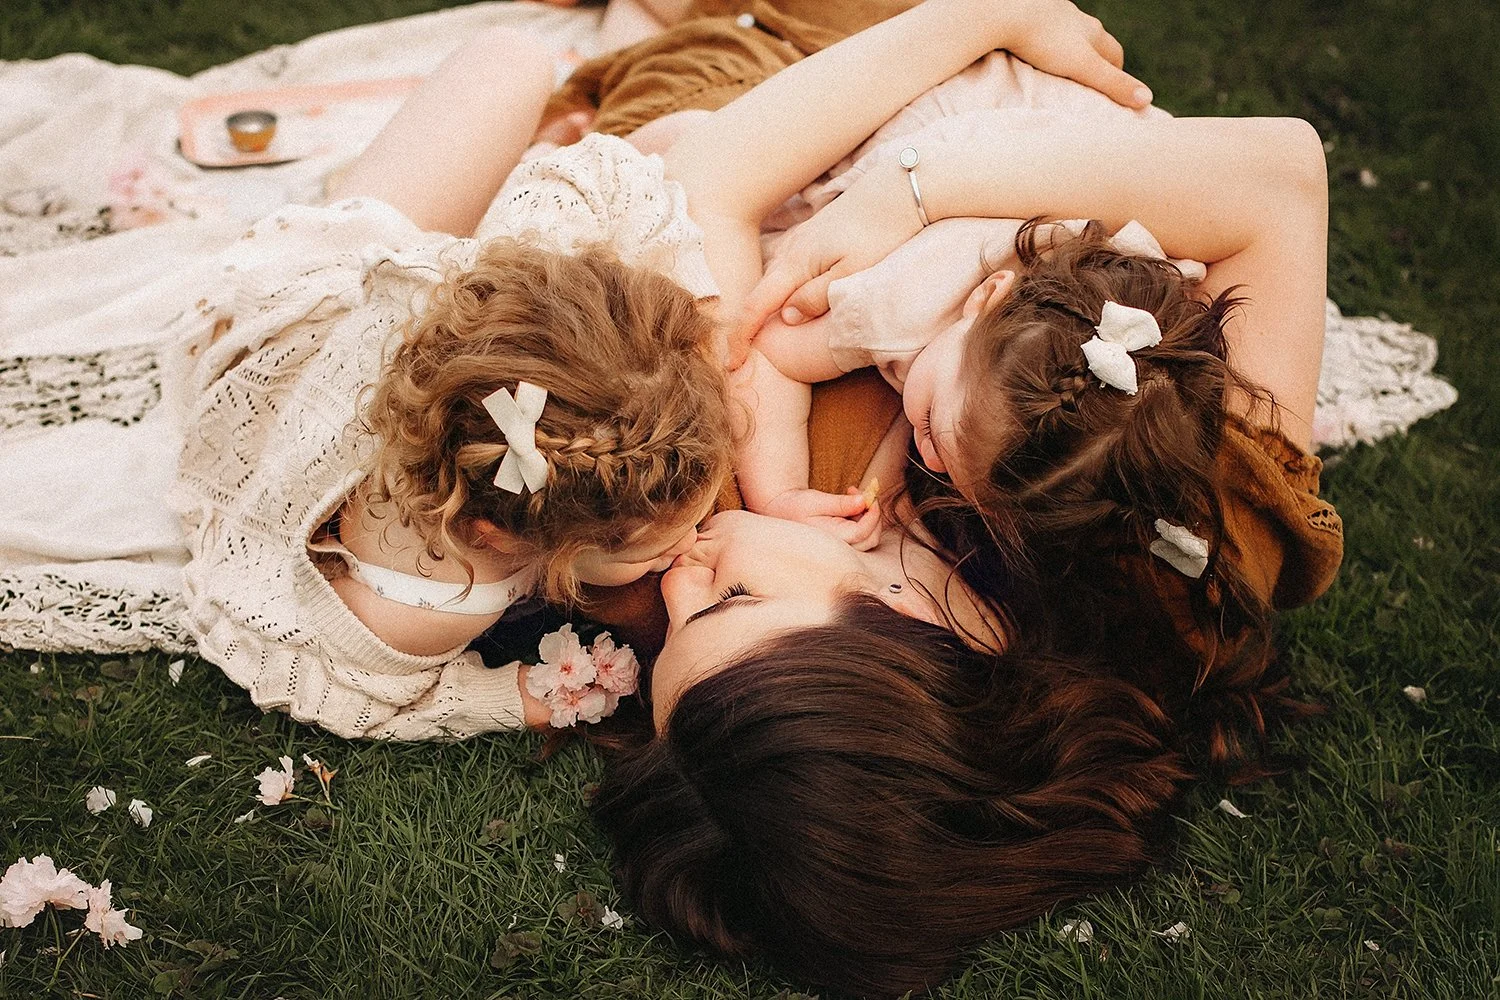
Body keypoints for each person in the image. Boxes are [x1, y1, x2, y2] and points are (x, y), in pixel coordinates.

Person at [169, 0, 1142, 740]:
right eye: (711, 583)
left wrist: (512, 697)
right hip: (333, 328)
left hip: (322, 322)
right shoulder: (423, 603)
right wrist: (509, 698)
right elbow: (339, 690)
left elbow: (650, 180)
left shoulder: (540, 336)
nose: (679, 579)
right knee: (552, 92)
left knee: (514, 65)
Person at [588, 77, 1345, 1000]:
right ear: (897, 627)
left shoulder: (705, 518)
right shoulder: (1182, 545)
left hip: (816, 107)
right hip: (966, 112)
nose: (676, 582)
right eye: (728, 601)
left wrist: (912, 159)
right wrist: (917, 182)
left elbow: (710, 177)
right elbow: (1280, 180)